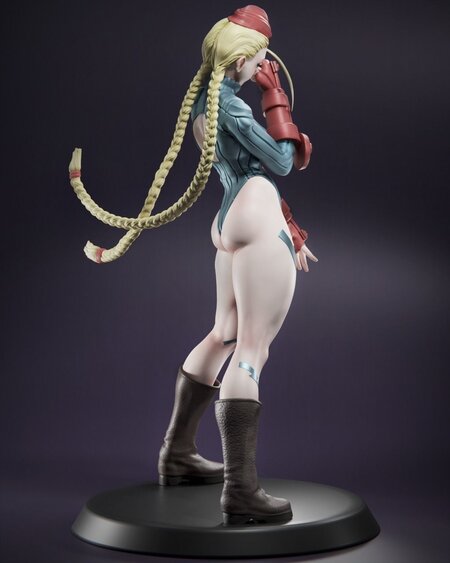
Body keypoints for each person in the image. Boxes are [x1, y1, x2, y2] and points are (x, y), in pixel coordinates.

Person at [68, 5, 317, 526]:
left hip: (229, 221)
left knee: (224, 333)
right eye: (259, 58)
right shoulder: (236, 108)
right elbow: (281, 162)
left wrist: (288, 227)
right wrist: (275, 95)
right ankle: (241, 490)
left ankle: (177, 454)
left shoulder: (205, 104)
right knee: (251, 349)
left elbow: (248, 167)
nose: (264, 64)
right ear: (243, 59)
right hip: (253, 214)